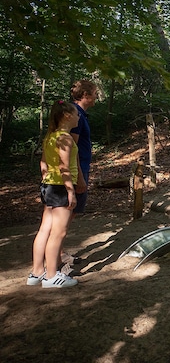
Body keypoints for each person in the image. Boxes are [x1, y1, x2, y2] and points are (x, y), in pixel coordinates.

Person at [27, 101, 80, 288]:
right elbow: (65, 168)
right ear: (67, 116)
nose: (78, 116)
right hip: (60, 189)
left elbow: (43, 164)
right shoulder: (65, 138)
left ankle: (36, 272)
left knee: (44, 230)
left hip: (49, 186)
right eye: (76, 114)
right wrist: (70, 191)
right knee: (58, 232)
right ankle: (51, 276)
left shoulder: (50, 137)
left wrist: (47, 179)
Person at [61, 80, 98, 267]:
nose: (97, 96)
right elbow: (71, 147)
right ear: (85, 95)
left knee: (71, 213)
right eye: (95, 92)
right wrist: (80, 177)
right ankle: (58, 254)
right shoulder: (76, 115)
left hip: (80, 168)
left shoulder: (81, 115)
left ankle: (58, 251)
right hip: (77, 170)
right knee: (68, 213)